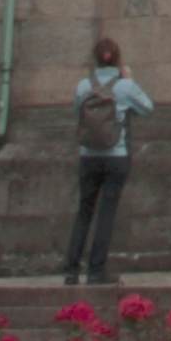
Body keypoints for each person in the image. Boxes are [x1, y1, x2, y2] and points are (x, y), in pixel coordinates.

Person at [64, 39, 152, 287]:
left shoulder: (83, 86)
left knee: (84, 211)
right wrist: (130, 79)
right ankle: (96, 271)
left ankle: (71, 270)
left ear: (95, 58)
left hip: (88, 156)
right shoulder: (124, 87)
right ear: (117, 58)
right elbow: (147, 107)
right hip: (116, 155)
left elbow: (76, 113)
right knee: (106, 213)